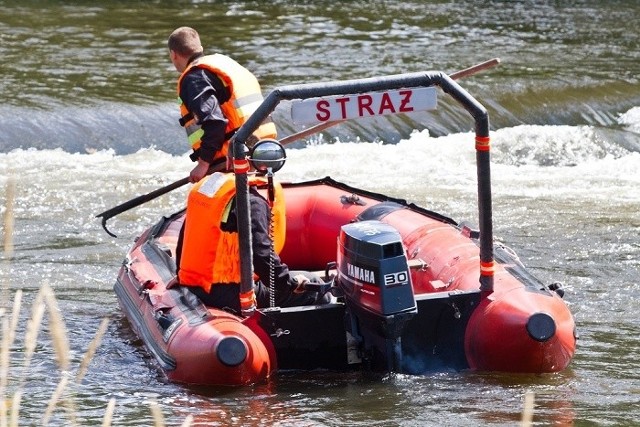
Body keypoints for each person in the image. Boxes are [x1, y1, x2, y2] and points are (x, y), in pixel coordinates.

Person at [176, 172, 329, 314]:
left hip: (195, 286)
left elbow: (186, 236)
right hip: (231, 294)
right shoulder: (252, 203)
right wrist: (290, 282)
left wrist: (179, 274)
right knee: (314, 284)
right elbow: (262, 256)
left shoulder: (208, 191)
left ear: (230, 160)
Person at [167, 26, 277, 183]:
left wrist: (203, 164)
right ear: (201, 49)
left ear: (173, 55)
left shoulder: (194, 78)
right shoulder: (225, 64)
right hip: (262, 153)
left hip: (233, 160)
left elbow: (215, 122)